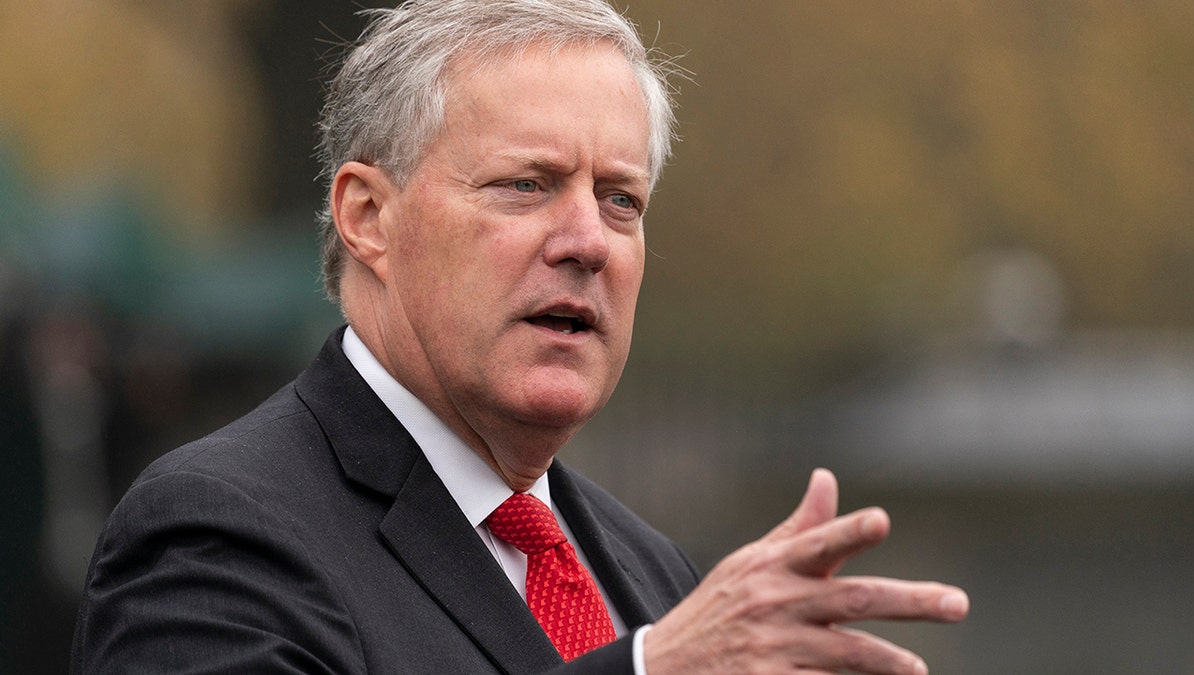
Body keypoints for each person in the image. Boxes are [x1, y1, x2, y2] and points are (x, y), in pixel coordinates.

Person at [71, 1, 969, 673]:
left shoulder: (653, 573)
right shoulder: (216, 530)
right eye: (526, 185)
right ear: (368, 217)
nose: (587, 241)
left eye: (621, 199)